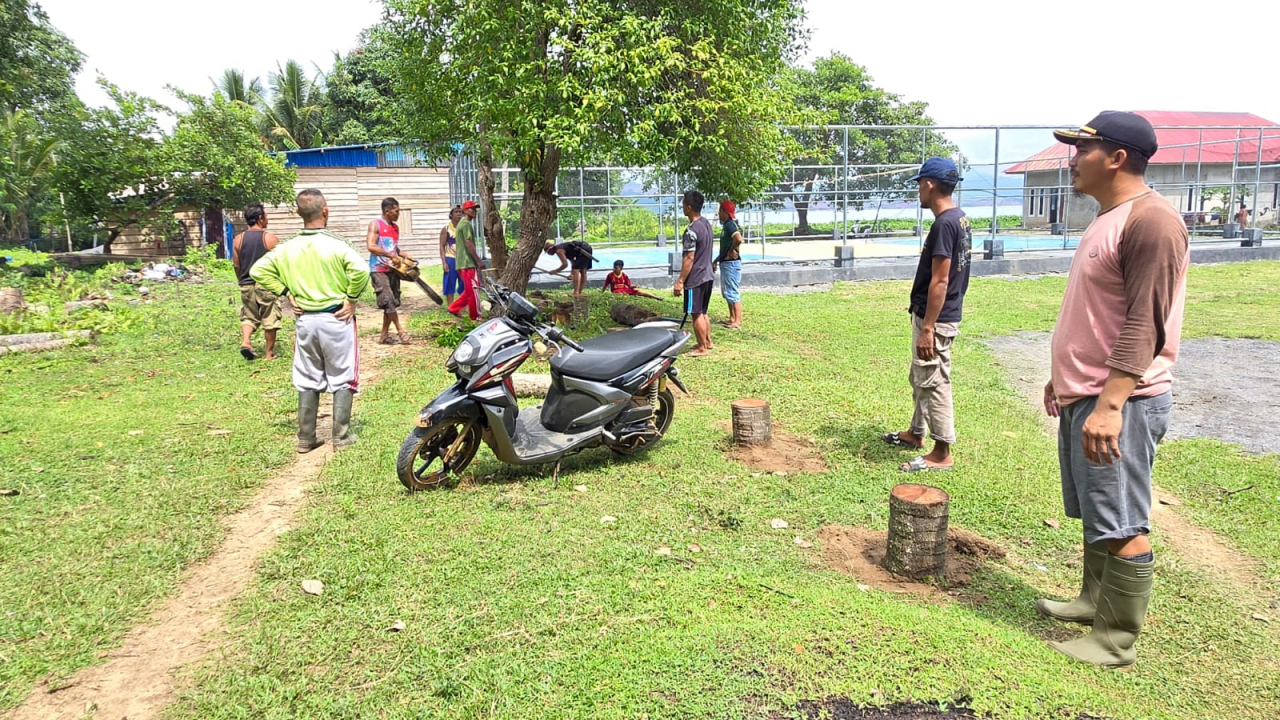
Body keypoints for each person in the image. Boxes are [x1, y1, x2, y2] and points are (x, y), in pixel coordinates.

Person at [1037, 112, 1189, 669]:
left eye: (1083, 148)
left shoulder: (1152, 221)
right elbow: (1097, 310)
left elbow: (1144, 324)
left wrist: (1110, 404)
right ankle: (1092, 601)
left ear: (1116, 157)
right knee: (1101, 511)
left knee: (1122, 518)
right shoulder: (1108, 217)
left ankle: (1115, 639)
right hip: (1088, 393)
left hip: (1121, 402)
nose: (1073, 158)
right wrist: (1065, 374)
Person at [251, 189, 369, 453]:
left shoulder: (287, 247)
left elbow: (257, 270)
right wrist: (351, 298)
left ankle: (306, 438)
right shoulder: (338, 244)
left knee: (306, 376)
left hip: (305, 319)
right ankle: (341, 437)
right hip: (336, 318)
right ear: (325, 211)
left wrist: (286, 292)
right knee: (343, 375)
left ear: (298, 214)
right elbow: (361, 270)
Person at [881, 157, 972, 473]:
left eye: (920, 184)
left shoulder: (945, 223)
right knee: (920, 376)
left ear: (930, 185)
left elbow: (941, 279)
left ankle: (942, 451)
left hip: (936, 318)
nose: (918, 190)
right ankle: (916, 433)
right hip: (935, 314)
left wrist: (929, 328)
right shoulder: (959, 219)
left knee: (934, 380)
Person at [231, 202, 282, 361]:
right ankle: (269, 353)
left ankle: (246, 342)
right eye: (266, 216)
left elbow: (236, 264)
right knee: (270, 316)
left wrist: (241, 279)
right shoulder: (270, 239)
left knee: (248, 315)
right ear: (260, 218)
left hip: (246, 283)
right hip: (265, 284)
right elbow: (279, 265)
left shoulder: (238, 240)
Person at [672, 190, 714, 356]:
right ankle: (708, 342)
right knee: (703, 312)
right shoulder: (706, 224)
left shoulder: (691, 230)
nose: (682, 207)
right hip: (708, 275)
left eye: (683, 204)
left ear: (689, 207)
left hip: (695, 278)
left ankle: (701, 347)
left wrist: (680, 281)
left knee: (696, 313)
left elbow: (689, 258)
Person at [365, 197, 412, 345]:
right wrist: (391, 255)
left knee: (392, 301)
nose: (398, 214)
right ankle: (401, 331)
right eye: (396, 211)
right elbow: (371, 246)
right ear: (387, 211)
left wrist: (401, 254)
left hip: (393, 269)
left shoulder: (395, 227)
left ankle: (383, 336)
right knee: (388, 300)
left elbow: (392, 246)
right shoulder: (375, 224)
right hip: (378, 269)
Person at [448, 200, 486, 320]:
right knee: (475, 289)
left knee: (471, 289)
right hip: (467, 262)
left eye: (475, 209)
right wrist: (478, 261)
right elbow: (468, 243)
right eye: (471, 209)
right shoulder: (466, 224)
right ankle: (476, 316)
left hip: (463, 263)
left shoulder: (462, 223)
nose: (474, 211)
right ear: (465, 211)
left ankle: (454, 308)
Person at [712, 200, 744, 329]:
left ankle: (737, 321)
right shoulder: (726, 226)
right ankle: (731, 318)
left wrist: (732, 250)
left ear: (725, 212)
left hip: (731, 264)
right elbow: (724, 248)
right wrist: (715, 261)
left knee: (732, 292)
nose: (719, 213)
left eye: (720, 211)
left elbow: (738, 239)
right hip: (726, 263)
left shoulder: (730, 225)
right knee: (727, 292)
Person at [439, 205, 462, 306]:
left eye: (460, 212)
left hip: (462, 259)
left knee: (463, 283)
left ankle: (461, 305)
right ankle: (451, 306)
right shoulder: (446, 229)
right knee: (450, 283)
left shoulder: (464, 228)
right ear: (451, 215)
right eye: (456, 212)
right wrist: (444, 262)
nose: (458, 214)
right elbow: (442, 246)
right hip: (450, 258)